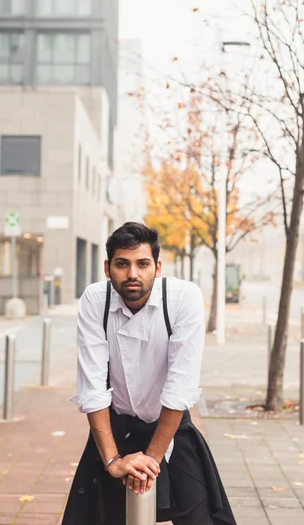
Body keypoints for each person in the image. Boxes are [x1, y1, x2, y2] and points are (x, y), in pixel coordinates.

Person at [62, 222, 237, 525]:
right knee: (94, 516)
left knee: (202, 516)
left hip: (170, 422)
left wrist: (151, 460)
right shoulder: (95, 300)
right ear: (107, 268)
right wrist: (114, 461)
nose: (132, 274)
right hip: (115, 424)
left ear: (157, 267)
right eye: (122, 264)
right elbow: (92, 387)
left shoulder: (183, 298)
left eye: (142, 264)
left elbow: (180, 387)